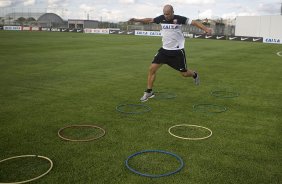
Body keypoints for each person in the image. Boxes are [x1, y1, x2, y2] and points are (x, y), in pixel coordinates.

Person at [129, 4, 212, 102]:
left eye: (168, 14)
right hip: (164, 51)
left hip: (177, 52)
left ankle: (194, 74)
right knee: (152, 69)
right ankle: (149, 92)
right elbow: (149, 20)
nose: (166, 16)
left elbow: (194, 22)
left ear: (173, 12)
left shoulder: (179, 19)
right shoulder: (161, 18)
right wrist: (136, 19)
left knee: (184, 74)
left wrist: (206, 29)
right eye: (164, 14)